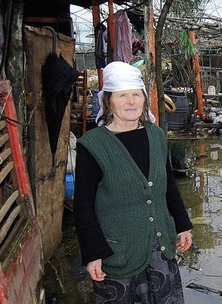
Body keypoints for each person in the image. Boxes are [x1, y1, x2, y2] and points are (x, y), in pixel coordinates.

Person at [74, 61, 194, 303]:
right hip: (118, 252)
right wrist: (93, 253)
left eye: (136, 95)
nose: (131, 102)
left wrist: (182, 225)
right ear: (108, 101)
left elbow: (168, 186)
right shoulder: (93, 145)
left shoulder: (156, 135)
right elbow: (83, 206)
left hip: (160, 249)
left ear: (143, 98)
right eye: (122, 95)